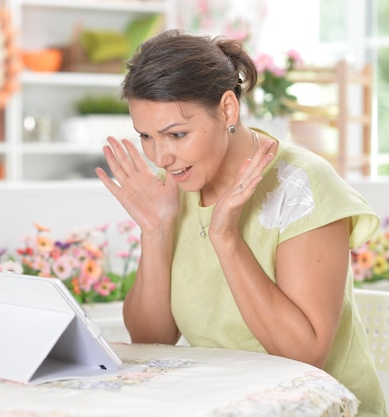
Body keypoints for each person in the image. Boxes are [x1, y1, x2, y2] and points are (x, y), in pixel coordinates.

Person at [95, 29, 387, 417]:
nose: (160, 157)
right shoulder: (176, 186)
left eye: (177, 134)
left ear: (228, 110)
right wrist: (157, 231)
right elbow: (152, 340)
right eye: (146, 137)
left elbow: (305, 353)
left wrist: (226, 236)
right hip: (222, 404)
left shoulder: (301, 186)